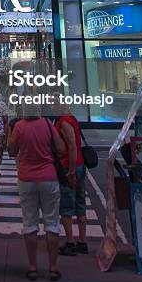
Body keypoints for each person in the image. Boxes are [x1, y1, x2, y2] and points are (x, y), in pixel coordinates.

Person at [8, 113, 67, 282]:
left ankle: (32, 267)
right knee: (52, 223)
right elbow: (61, 149)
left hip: (26, 178)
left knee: (30, 223)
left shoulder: (19, 127)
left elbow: (12, 151)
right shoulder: (48, 124)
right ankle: (53, 267)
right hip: (49, 177)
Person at [52, 94, 87, 256]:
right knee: (80, 203)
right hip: (79, 164)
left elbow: (72, 146)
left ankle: (70, 242)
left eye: (54, 104)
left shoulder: (64, 122)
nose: (52, 107)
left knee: (67, 204)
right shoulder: (70, 118)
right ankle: (82, 241)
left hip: (70, 166)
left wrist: (71, 171)